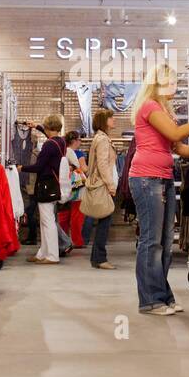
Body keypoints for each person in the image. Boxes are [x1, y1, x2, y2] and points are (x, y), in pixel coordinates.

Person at [129, 63, 189, 314]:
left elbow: (178, 148)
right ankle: (150, 300)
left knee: (165, 242)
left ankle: (162, 295)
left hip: (163, 178)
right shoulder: (150, 107)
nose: (175, 86)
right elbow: (175, 133)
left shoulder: (163, 109)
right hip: (147, 179)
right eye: (171, 82)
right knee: (151, 241)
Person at [21, 114, 68, 264]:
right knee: (46, 221)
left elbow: (38, 167)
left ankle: (52, 256)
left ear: (48, 128)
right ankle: (43, 253)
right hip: (53, 185)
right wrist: (37, 126)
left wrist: (22, 168)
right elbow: (49, 135)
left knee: (47, 222)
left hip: (46, 186)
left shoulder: (48, 145)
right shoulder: (61, 141)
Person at [80, 109, 119, 269]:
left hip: (102, 183)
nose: (114, 120)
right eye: (111, 117)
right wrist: (110, 185)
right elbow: (102, 165)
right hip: (103, 185)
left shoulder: (100, 138)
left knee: (103, 221)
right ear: (105, 120)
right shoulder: (103, 140)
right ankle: (100, 258)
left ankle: (97, 257)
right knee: (104, 221)